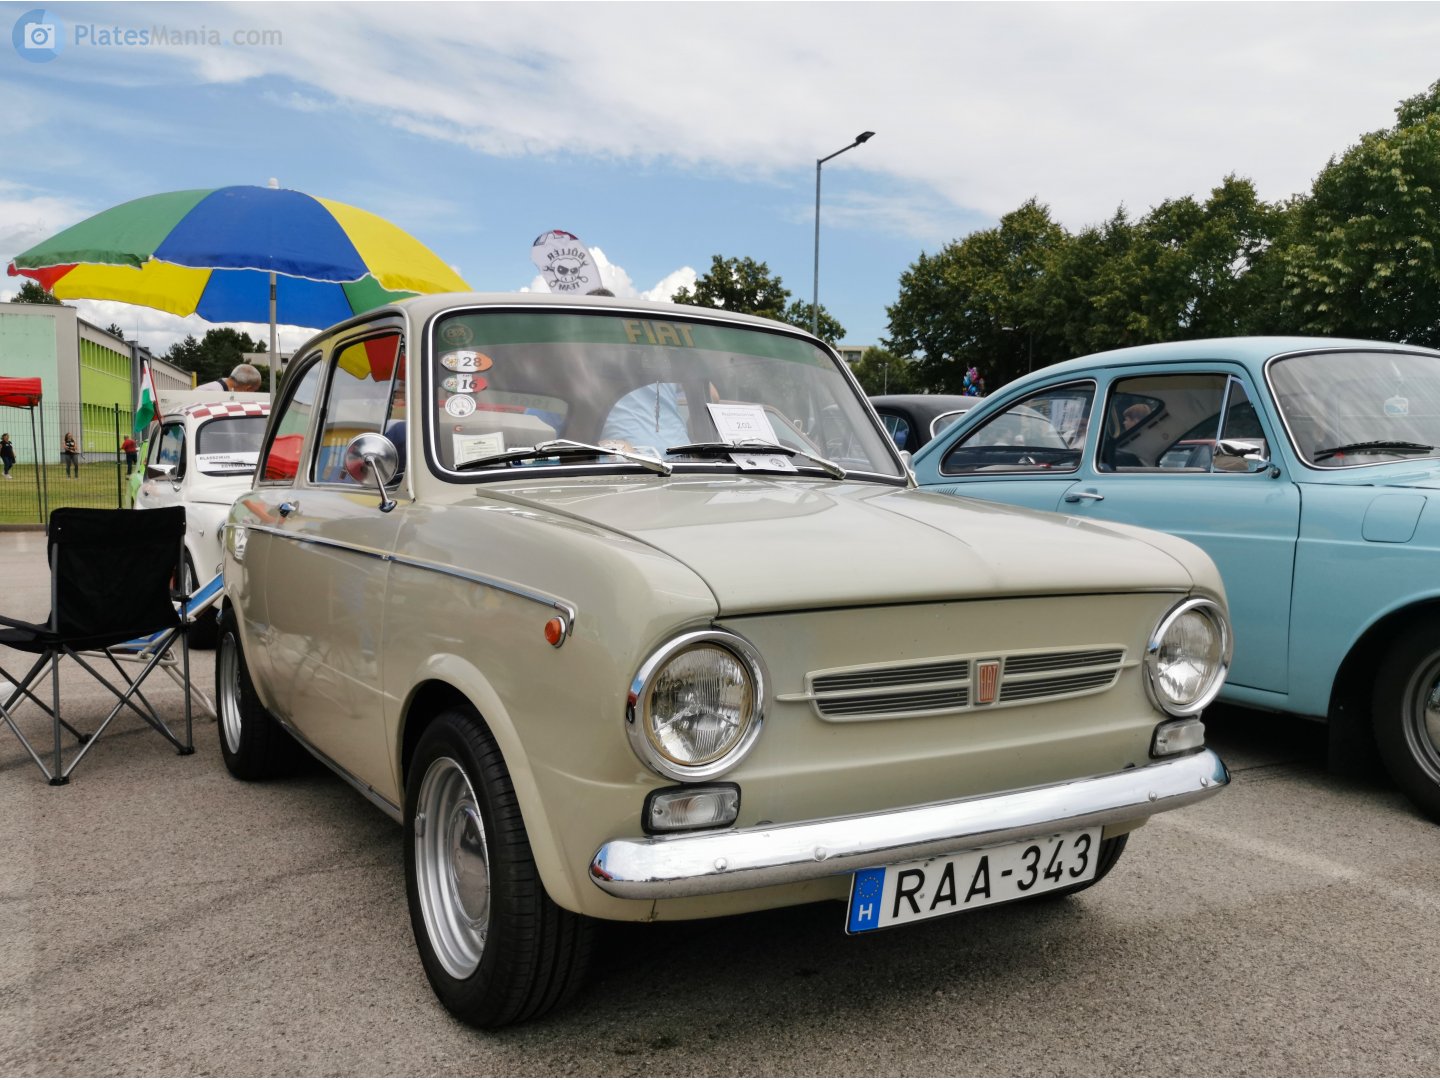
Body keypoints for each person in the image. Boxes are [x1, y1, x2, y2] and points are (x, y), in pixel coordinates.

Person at [196, 363, 262, 392]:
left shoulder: (204, 390)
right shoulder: (210, 394)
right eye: (254, 390)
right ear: (247, 389)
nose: (254, 394)